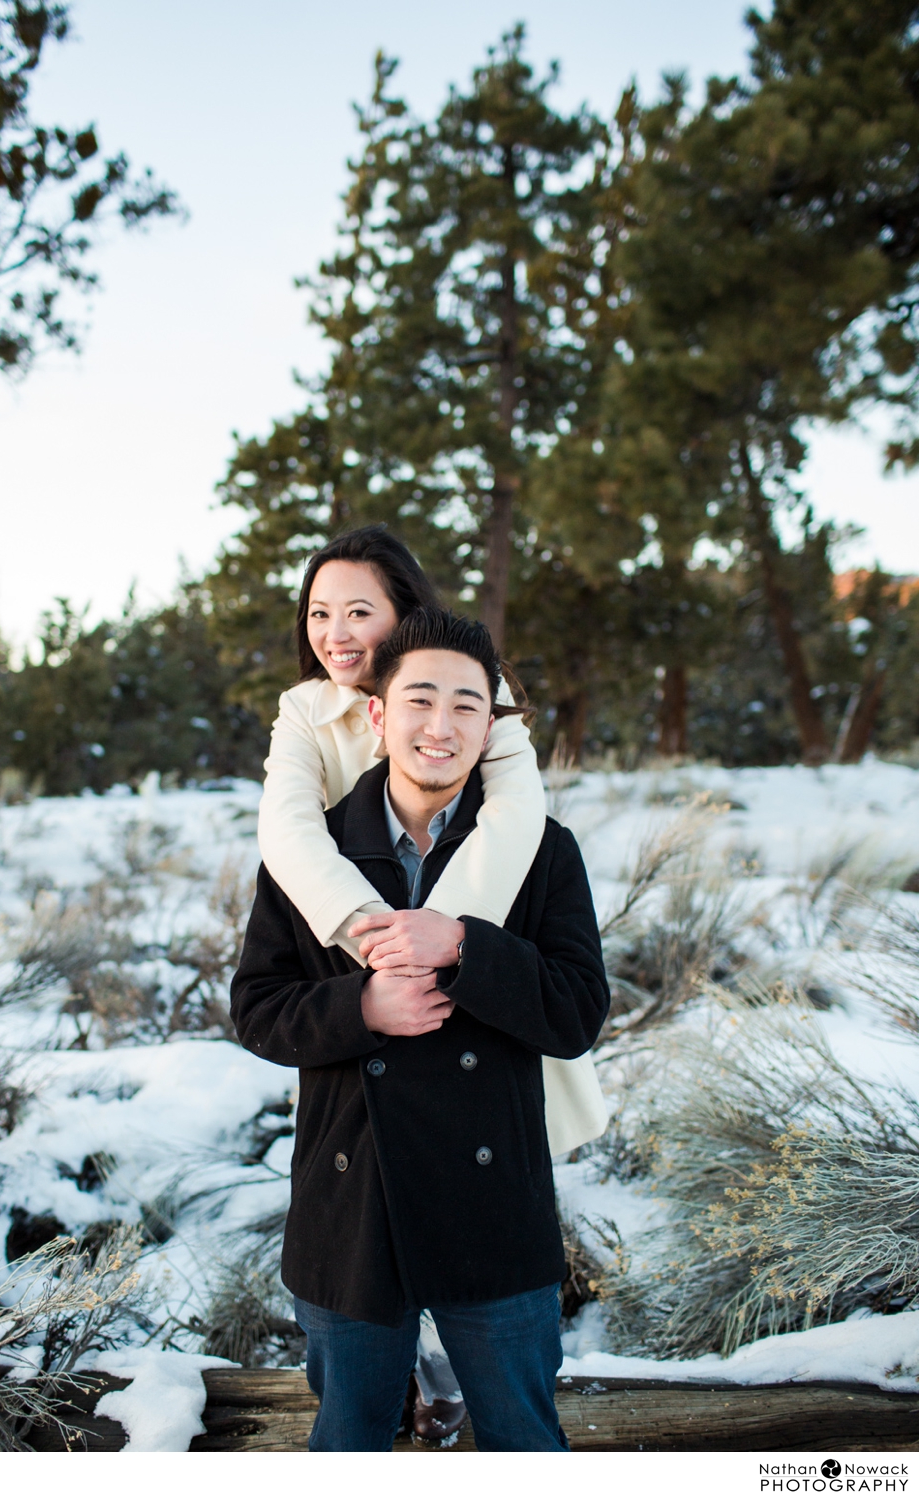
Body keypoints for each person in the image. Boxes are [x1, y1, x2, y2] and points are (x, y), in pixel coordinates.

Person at [254, 524, 607, 1442]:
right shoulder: (309, 849)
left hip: (496, 1212)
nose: (439, 727)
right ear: (376, 711)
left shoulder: (538, 847)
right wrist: (361, 1004)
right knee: (351, 1445)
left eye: (465, 707)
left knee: (527, 1443)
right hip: (350, 1208)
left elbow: (576, 1012)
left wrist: (464, 946)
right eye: (418, 701)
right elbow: (257, 1008)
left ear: (494, 726)